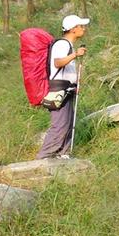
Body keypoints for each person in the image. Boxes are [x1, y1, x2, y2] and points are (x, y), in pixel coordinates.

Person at [36, 15, 89, 159]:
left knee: (68, 124)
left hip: (67, 89)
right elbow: (57, 63)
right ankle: (43, 157)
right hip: (59, 89)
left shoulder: (68, 45)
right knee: (60, 125)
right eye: (81, 26)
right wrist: (75, 54)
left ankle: (62, 155)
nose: (83, 29)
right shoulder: (62, 44)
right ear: (73, 29)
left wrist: (75, 84)